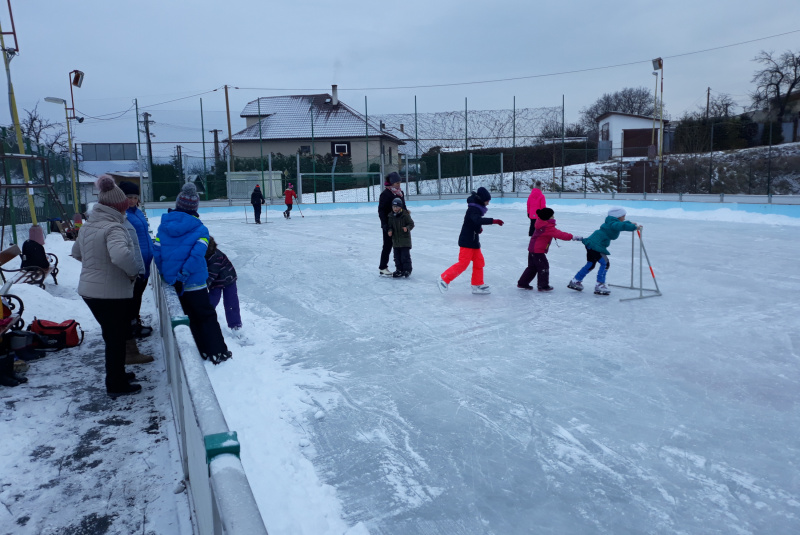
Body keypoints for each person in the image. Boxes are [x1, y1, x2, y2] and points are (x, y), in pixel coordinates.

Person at [72, 175, 141, 396]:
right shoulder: (114, 228)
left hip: (90, 292)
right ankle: (116, 384)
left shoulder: (89, 225)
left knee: (112, 336)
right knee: (116, 338)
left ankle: (118, 374)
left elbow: (76, 253)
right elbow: (120, 255)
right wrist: (133, 272)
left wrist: (97, 268)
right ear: (119, 206)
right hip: (110, 294)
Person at [153, 183, 232, 363]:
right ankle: (217, 351)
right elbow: (197, 256)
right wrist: (183, 275)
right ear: (195, 207)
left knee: (189, 316)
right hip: (194, 283)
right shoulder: (200, 229)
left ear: (178, 204)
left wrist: (170, 275)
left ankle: (201, 350)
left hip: (175, 282)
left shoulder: (163, 227)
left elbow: (157, 252)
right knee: (206, 315)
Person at [438, 187, 504, 295]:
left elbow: (474, 223)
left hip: (473, 241)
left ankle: (477, 284)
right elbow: (476, 219)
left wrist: (478, 229)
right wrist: (494, 221)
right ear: (482, 199)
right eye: (487, 201)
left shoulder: (477, 208)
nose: (488, 203)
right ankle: (444, 279)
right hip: (467, 241)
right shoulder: (473, 209)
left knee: (479, 261)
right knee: (463, 263)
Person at [119, 181, 154, 364]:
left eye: (135, 197)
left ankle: (135, 323)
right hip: (135, 265)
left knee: (137, 298)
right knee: (132, 300)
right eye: (129, 197)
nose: (132, 200)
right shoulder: (122, 216)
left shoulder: (137, 213)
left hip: (145, 264)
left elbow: (145, 236)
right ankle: (132, 328)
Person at [568, 207, 641, 295]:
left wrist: (629, 223)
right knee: (605, 263)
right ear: (618, 216)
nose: (624, 218)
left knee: (591, 264)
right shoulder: (613, 224)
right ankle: (600, 284)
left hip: (591, 243)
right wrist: (633, 227)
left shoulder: (610, 221)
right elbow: (620, 226)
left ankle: (576, 280)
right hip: (596, 246)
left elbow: (621, 224)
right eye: (623, 216)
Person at [517, 207, 583, 292]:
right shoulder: (547, 227)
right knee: (543, 267)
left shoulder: (541, 223)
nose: (554, 217)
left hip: (533, 249)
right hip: (538, 250)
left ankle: (523, 283)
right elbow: (560, 234)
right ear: (547, 217)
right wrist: (572, 237)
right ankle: (543, 285)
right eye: (552, 216)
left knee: (532, 267)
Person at [205, 237, 242, 331]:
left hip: (228, 279)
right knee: (211, 300)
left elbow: (212, 274)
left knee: (231, 302)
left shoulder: (215, 255)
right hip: (216, 281)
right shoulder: (204, 255)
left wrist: (202, 287)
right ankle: (204, 318)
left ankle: (235, 325)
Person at [377, 172, 406, 275]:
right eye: (396, 183)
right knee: (388, 245)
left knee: (401, 245)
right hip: (389, 224)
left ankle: (402, 267)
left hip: (399, 224)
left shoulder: (400, 193)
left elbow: (403, 207)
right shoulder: (385, 194)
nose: (398, 185)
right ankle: (383, 267)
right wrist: (385, 225)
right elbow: (381, 211)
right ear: (391, 183)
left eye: (399, 183)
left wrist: (406, 219)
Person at [386, 197, 414, 278]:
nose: (395, 208)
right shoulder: (391, 216)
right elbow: (389, 226)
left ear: (400, 207)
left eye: (397, 207)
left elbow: (411, 224)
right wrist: (390, 231)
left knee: (405, 256)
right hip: (396, 240)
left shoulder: (405, 215)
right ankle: (399, 270)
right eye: (394, 207)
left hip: (405, 240)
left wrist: (407, 228)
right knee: (397, 257)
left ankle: (407, 270)